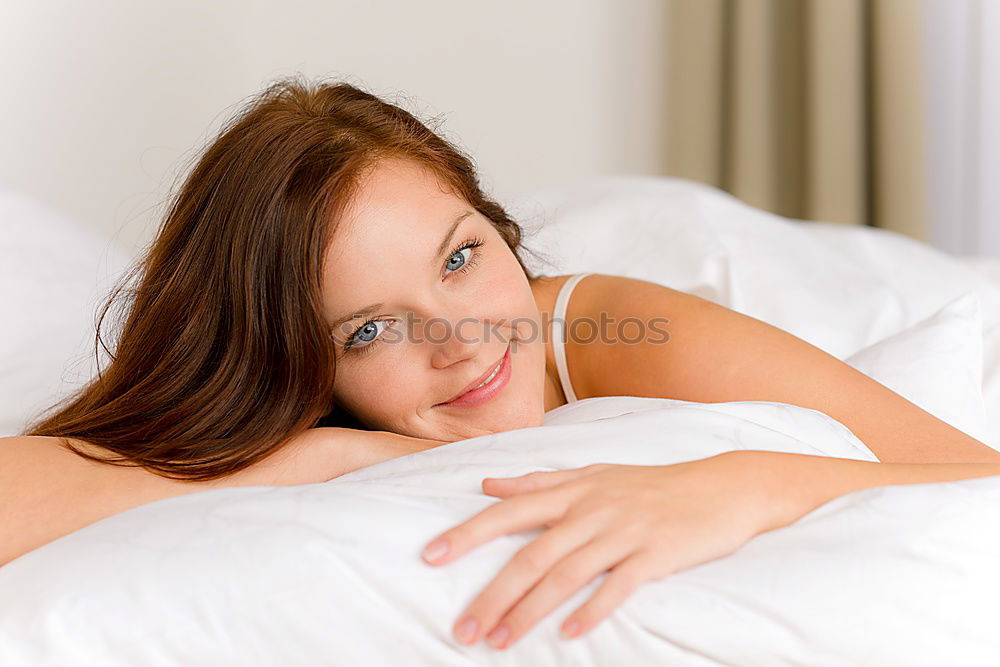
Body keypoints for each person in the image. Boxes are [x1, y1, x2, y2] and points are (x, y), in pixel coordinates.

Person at [4, 76, 1000, 649]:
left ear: (497, 229)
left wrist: (746, 482)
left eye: (461, 255)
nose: (464, 338)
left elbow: (974, 472)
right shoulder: (309, 416)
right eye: (370, 329)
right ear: (299, 373)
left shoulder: (588, 325)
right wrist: (323, 458)